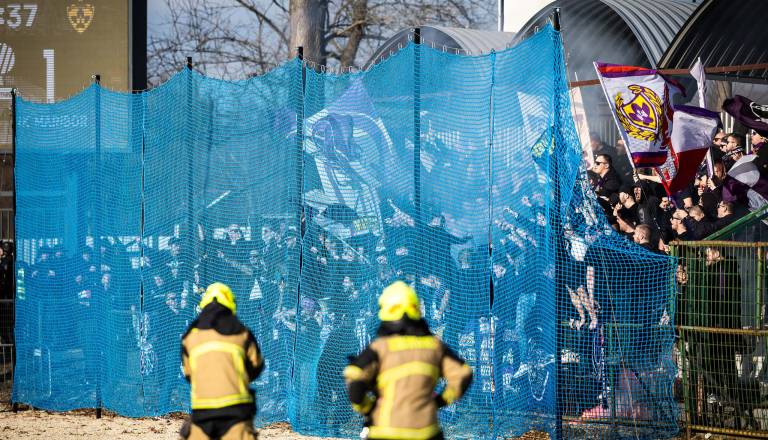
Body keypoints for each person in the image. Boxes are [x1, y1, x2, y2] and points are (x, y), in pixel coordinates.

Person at [343, 281, 473, 440]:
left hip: (384, 431)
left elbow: (354, 376)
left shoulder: (380, 348)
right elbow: (464, 373)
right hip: (426, 431)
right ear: (417, 309)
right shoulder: (434, 346)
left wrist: (367, 407)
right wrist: (440, 401)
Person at [180, 282, 264, 440]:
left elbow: (188, 374)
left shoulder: (189, 337)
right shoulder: (243, 333)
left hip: (202, 412)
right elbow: (256, 367)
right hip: (237, 412)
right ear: (230, 304)